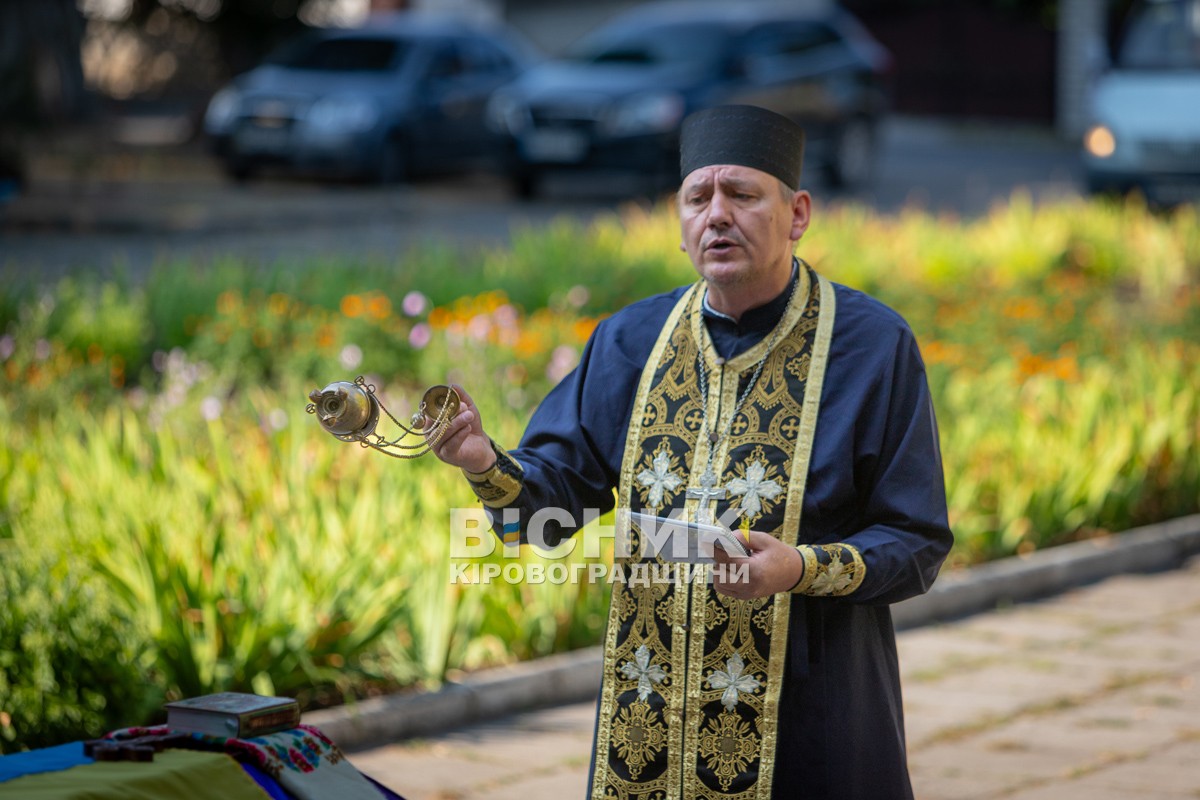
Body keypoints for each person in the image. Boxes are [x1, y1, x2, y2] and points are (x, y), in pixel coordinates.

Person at [429, 105, 953, 800]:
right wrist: (481, 462)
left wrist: (798, 567)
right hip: (648, 724)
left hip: (810, 713)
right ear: (678, 223)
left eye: (742, 194)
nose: (717, 216)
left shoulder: (872, 347)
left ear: (796, 213)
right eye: (697, 198)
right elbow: (551, 500)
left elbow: (916, 539)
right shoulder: (631, 340)